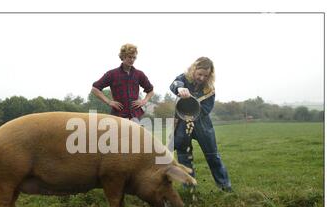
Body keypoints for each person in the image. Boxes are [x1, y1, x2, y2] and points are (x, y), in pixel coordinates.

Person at [169, 57, 232, 192]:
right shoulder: (184, 78)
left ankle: (225, 186)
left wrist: (193, 108)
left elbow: (206, 109)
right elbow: (174, 84)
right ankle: (188, 187)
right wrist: (180, 88)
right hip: (181, 122)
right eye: (200, 74)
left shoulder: (209, 89)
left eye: (206, 75)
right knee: (183, 155)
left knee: (212, 155)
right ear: (194, 70)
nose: (202, 78)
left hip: (202, 124)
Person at [91, 43, 154, 122]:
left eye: (134, 58)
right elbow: (95, 89)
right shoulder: (112, 74)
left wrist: (144, 101)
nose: (132, 60)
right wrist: (109, 102)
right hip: (118, 115)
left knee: (135, 134)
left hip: (135, 115)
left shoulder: (139, 74)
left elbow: (150, 91)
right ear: (123, 57)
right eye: (129, 57)